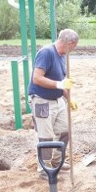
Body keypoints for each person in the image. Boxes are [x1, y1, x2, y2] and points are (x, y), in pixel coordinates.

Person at [28, 29, 79, 178]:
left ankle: (57, 161)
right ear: (70, 43)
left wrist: (69, 99)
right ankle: (44, 168)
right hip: (42, 101)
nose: (73, 50)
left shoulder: (62, 56)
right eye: (74, 47)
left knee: (65, 130)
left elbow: (62, 81)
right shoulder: (46, 53)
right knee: (46, 136)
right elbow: (37, 78)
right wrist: (59, 85)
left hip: (58, 100)